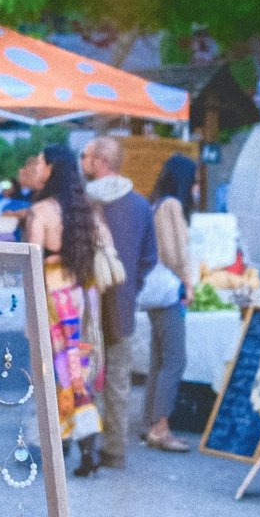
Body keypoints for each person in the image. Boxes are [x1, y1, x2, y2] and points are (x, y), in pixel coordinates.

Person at [24, 143, 108, 475]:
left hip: (51, 297)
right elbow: (105, 249)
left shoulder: (40, 212)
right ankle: (87, 445)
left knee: (54, 372)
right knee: (77, 371)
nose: (39, 169)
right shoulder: (88, 209)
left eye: (42, 163)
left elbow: (31, 262)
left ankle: (58, 446)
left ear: (52, 169)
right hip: (82, 296)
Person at [81, 135, 157, 469]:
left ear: (99, 162)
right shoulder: (141, 205)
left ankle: (84, 442)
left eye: (86, 156)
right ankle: (115, 447)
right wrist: (131, 286)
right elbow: (149, 257)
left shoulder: (82, 203)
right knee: (119, 378)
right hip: (124, 303)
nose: (83, 162)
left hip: (86, 303)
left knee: (83, 373)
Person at [139, 153, 196, 453]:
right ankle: (161, 428)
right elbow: (173, 253)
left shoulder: (156, 203)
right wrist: (188, 281)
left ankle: (149, 424)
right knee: (175, 360)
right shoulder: (172, 206)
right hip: (168, 292)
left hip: (154, 291)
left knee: (159, 360)